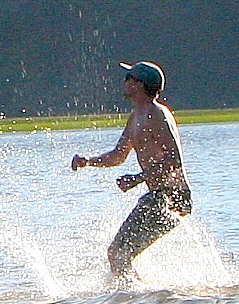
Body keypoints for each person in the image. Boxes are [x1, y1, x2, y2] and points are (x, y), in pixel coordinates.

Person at [71, 60, 192, 280]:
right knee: (118, 253)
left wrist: (138, 179)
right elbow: (118, 155)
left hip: (173, 197)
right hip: (157, 195)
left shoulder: (157, 115)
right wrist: (87, 161)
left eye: (129, 78)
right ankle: (138, 295)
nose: (124, 82)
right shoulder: (136, 116)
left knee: (118, 253)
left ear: (138, 84)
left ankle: (133, 298)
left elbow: (174, 160)